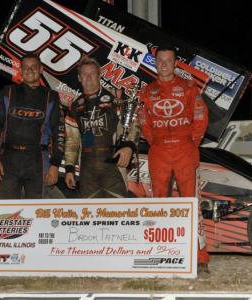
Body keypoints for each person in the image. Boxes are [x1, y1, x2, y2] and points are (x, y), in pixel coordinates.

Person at [139, 46, 210, 271]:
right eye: (160, 60)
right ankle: (163, 253)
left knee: (192, 204)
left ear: (175, 63)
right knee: (159, 203)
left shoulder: (188, 88)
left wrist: (190, 143)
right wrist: (157, 142)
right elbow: (143, 123)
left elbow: (200, 117)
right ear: (155, 62)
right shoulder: (146, 91)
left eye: (168, 60)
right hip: (159, 151)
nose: (164, 64)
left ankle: (200, 258)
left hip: (184, 150)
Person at [0, 52, 65, 199]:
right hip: (8, 159)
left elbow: (59, 132)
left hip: (38, 159)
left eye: (34, 67)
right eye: (26, 67)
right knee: (7, 210)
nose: (30, 70)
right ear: (21, 71)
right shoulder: (7, 92)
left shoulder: (51, 96)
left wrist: (55, 164)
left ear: (41, 69)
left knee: (36, 209)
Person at [64, 56, 140, 198]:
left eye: (92, 73)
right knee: (91, 214)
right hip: (87, 167)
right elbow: (71, 141)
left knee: (117, 212)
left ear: (99, 75)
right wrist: (69, 168)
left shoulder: (115, 99)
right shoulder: (75, 105)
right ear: (79, 78)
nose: (89, 77)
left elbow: (134, 125)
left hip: (112, 165)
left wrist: (129, 146)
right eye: (84, 74)